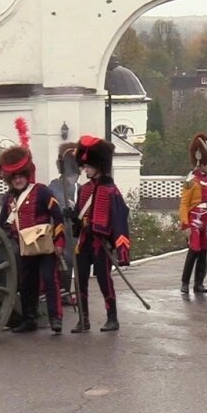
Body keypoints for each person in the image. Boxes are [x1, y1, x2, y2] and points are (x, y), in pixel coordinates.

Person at [0, 119, 67, 334]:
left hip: (45, 246)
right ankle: (29, 319)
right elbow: (0, 222)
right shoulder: (8, 199)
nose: (18, 180)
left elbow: (58, 217)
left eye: (20, 176)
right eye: (14, 177)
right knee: (27, 283)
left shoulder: (42, 191)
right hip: (24, 247)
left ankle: (55, 319)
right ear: (9, 179)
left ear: (27, 175)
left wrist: (60, 242)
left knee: (50, 280)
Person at [72, 135, 132, 332]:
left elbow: (119, 218)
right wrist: (72, 217)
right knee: (80, 280)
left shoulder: (111, 190)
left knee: (104, 281)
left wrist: (121, 251)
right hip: (84, 242)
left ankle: (112, 318)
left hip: (101, 243)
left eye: (88, 166)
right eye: (84, 166)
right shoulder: (83, 190)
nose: (85, 169)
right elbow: (80, 218)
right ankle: (83, 320)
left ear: (98, 165)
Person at [179, 133, 207, 294]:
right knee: (194, 249)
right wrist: (185, 224)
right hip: (195, 219)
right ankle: (185, 282)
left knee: (203, 251)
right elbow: (184, 204)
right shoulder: (191, 181)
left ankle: (199, 283)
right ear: (200, 163)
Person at [48, 142, 81, 306]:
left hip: (74, 231)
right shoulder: (54, 186)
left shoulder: (79, 188)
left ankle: (67, 291)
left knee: (71, 262)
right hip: (58, 229)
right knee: (62, 261)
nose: (74, 177)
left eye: (76, 173)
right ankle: (59, 292)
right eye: (72, 173)